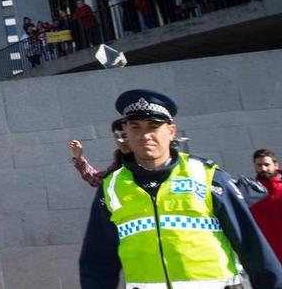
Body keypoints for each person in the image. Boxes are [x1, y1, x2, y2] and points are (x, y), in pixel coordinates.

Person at [79, 89, 282, 288]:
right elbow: (98, 261)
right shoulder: (111, 187)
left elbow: (252, 247)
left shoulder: (209, 177)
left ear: (171, 131)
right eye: (135, 127)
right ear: (126, 132)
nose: (145, 135)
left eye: (153, 126)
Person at [69, 119, 130, 187]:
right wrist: (79, 158)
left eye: (125, 136)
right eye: (116, 136)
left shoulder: (142, 159)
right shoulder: (120, 161)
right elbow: (98, 180)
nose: (120, 141)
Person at [251, 149, 282, 264]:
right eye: (259, 165)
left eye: (267, 164)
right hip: (269, 255)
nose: (263, 169)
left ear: (276, 165)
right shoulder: (251, 193)